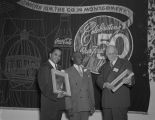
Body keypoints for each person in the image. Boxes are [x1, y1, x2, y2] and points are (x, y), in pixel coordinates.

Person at [96, 45, 134, 120]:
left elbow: (132, 77)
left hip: (120, 101)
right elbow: (98, 80)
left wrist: (129, 81)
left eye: (113, 53)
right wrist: (104, 84)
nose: (111, 55)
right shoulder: (104, 66)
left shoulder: (125, 63)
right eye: (109, 53)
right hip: (106, 102)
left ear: (117, 53)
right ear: (106, 55)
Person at [65, 51, 95, 120]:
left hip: (86, 105)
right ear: (72, 58)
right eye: (78, 56)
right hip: (74, 106)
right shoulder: (67, 72)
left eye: (81, 57)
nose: (81, 58)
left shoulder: (87, 71)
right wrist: (68, 107)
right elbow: (66, 92)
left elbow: (90, 89)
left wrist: (92, 104)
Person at [38, 47, 66, 120]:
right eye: (55, 54)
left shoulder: (59, 68)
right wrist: (56, 95)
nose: (57, 57)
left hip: (58, 105)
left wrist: (64, 91)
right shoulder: (45, 67)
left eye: (59, 56)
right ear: (50, 55)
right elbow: (44, 87)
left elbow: (60, 86)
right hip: (49, 105)